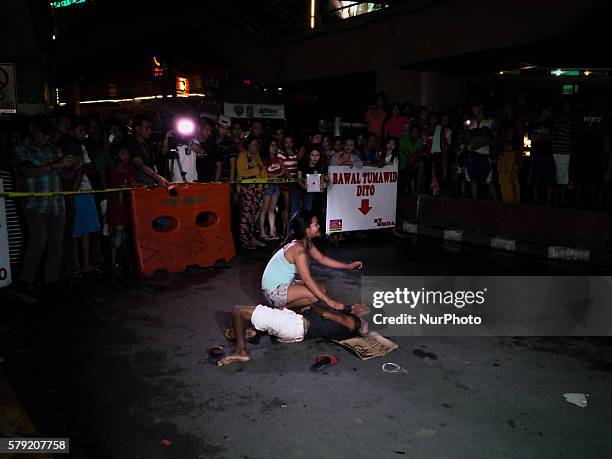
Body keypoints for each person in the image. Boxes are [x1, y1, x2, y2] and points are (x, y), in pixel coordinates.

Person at [13, 114, 75, 289]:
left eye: (49, 134)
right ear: (33, 130)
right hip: (34, 203)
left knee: (56, 243)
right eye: (43, 134)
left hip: (56, 202)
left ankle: (51, 281)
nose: (47, 137)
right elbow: (26, 172)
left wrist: (72, 167)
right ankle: (25, 280)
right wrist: (56, 165)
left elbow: (65, 176)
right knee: (38, 240)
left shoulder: (54, 149)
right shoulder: (21, 148)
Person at [261, 209, 362, 310]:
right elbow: (307, 279)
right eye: (315, 224)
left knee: (321, 289)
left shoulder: (305, 243)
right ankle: (279, 309)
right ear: (306, 229)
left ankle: (283, 307)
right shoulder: (298, 249)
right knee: (316, 294)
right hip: (273, 292)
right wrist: (329, 301)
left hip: (282, 286)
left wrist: (348, 266)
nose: (318, 226)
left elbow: (322, 259)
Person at [217, 303, 367, 366]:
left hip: (294, 325)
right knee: (273, 317)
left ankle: (241, 351)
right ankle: (252, 332)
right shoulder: (349, 326)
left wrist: (314, 304)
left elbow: (326, 315)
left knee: (238, 311)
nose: (356, 305)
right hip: (296, 331)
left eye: (360, 306)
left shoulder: (353, 322)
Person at [70, 117, 100, 274]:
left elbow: (91, 169)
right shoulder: (66, 148)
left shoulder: (82, 148)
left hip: (86, 191)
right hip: (75, 193)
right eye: (80, 131)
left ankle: (86, 263)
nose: (84, 134)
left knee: (87, 229)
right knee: (76, 230)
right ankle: (76, 264)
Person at [106, 142, 139, 275]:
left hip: (129, 207)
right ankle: (113, 264)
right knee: (117, 237)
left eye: (127, 154)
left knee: (127, 237)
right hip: (118, 208)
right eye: (123, 154)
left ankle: (126, 263)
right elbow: (115, 188)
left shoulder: (131, 169)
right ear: (116, 156)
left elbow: (134, 184)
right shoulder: (112, 171)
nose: (126, 156)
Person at [236, 136, 267, 249]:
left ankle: (252, 238)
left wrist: (264, 184)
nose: (255, 147)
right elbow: (241, 172)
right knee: (246, 215)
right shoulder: (243, 155)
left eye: (256, 145)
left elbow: (263, 170)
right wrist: (256, 170)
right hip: (247, 189)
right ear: (248, 145)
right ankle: (244, 240)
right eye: (253, 145)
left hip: (258, 189)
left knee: (254, 216)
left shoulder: (257, 156)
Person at [465, 102, 497, 200]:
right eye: (472, 107)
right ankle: (474, 204)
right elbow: (467, 140)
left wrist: (481, 145)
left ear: (481, 107)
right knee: (472, 179)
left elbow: (495, 140)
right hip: (471, 155)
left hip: (484, 155)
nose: (472, 109)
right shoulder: (470, 122)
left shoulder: (490, 121)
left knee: (489, 180)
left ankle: (496, 204)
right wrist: (466, 129)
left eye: (474, 106)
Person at [128, 114, 169, 188]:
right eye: (147, 128)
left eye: (150, 128)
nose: (150, 131)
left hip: (152, 181)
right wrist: (158, 178)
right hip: (139, 183)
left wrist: (166, 138)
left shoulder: (149, 143)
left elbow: (163, 152)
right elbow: (141, 165)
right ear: (137, 129)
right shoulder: (132, 144)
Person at [528, 103, 556, 206]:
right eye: (549, 110)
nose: (550, 112)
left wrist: (540, 137)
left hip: (548, 154)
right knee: (535, 179)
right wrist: (544, 136)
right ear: (544, 110)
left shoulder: (551, 123)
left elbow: (553, 137)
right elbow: (533, 139)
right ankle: (536, 201)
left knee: (549, 179)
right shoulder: (533, 124)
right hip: (537, 154)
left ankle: (548, 203)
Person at [496, 102, 523, 204]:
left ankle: (515, 201)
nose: (503, 109)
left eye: (505, 107)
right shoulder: (502, 121)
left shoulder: (517, 122)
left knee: (511, 176)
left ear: (510, 108)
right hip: (503, 152)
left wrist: (520, 154)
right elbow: (500, 138)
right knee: (502, 176)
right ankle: (506, 199)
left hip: (513, 153)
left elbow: (521, 139)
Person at [259, 139, 284, 240]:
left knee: (272, 209)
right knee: (264, 209)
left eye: (275, 145)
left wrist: (278, 175)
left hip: (276, 185)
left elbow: (283, 170)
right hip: (268, 185)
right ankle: (262, 231)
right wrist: (277, 175)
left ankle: (272, 232)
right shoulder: (265, 159)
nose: (274, 147)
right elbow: (265, 173)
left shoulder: (278, 159)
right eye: (272, 145)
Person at [551, 101, 575, 207]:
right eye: (565, 108)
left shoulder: (571, 124)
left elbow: (572, 140)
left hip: (565, 154)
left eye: (568, 108)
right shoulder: (555, 123)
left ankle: (561, 201)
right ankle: (555, 200)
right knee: (555, 179)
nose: (566, 110)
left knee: (563, 180)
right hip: (555, 152)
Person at [278, 135, 299, 233]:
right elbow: (284, 169)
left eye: (290, 142)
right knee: (287, 206)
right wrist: (291, 178)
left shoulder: (296, 154)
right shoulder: (281, 154)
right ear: (283, 143)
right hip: (286, 182)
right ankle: (286, 228)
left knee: (294, 206)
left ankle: (292, 228)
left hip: (295, 183)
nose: (288, 144)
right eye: (286, 142)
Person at [398, 124, 426, 193]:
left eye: (417, 132)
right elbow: (409, 156)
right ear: (410, 132)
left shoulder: (419, 141)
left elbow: (417, 155)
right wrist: (422, 154)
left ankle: (418, 189)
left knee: (421, 164)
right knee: (413, 165)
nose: (414, 134)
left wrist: (419, 156)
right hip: (401, 165)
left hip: (412, 163)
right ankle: (407, 188)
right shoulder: (403, 139)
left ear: (419, 134)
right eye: (413, 132)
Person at [297, 147, 324, 212]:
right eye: (312, 155)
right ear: (309, 155)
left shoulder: (320, 166)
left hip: (313, 192)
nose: (315, 157)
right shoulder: (302, 163)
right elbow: (299, 179)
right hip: (299, 189)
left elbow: (321, 181)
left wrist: (321, 187)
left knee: (309, 210)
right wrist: (305, 187)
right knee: (296, 210)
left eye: (317, 155)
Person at [214, 115, 238, 183]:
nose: (224, 131)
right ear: (216, 126)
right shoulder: (211, 140)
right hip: (209, 179)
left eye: (226, 128)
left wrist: (231, 182)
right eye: (222, 127)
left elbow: (232, 166)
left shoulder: (231, 144)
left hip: (225, 180)